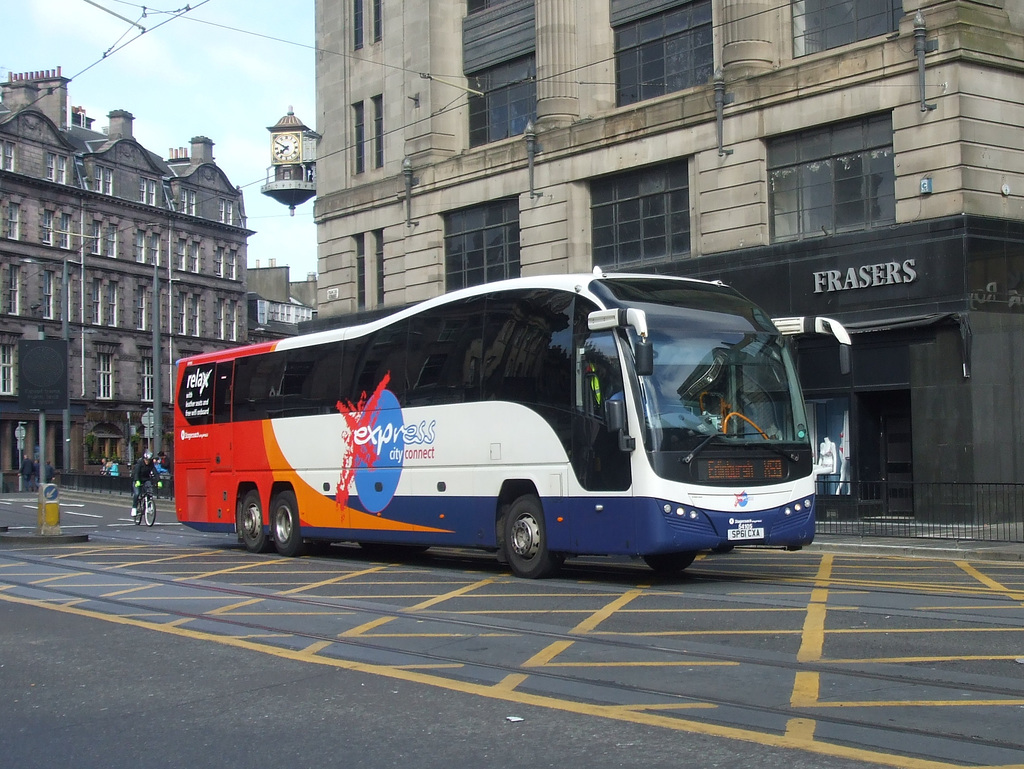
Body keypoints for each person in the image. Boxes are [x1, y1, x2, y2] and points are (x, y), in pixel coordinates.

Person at [130, 451, 161, 518]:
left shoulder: (151, 464)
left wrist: (159, 481)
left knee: (150, 492)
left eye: (149, 460)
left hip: (146, 479)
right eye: (146, 460)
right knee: (137, 493)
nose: (147, 461)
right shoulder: (139, 464)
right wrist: (137, 481)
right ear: (144, 459)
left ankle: (149, 506)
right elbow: (136, 473)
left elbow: (155, 472)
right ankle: (134, 508)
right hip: (138, 480)